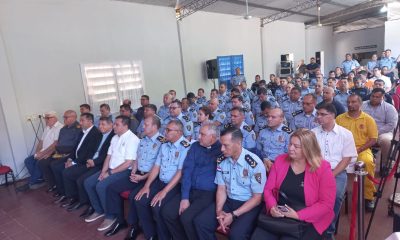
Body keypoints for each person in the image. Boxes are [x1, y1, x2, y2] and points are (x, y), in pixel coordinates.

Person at [253, 129, 336, 239]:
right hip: (280, 213)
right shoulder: (280, 160)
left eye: (296, 146)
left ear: (308, 149)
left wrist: (298, 215)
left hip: (308, 218)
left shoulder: (322, 168)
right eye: (290, 144)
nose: (290, 148)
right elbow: (268, 190)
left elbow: (326, 204)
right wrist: (272, 207)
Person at [194, 127, 266, 240]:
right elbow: (221, 189)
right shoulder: (222, 160)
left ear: (238, 143)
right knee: (200, 222)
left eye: (226, 145)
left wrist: (233, 215)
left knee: (236, 235)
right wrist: (219, 212)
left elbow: (257, 198)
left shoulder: (254, 163)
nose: (222, 149)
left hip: (248, 204)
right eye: (221, 144)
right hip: (229, 201)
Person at [102, 116, 164, 238]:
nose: (143, 127)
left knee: (134, 197)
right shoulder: (143, 139)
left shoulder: (162, 142)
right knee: (111, 188)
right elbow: (136, 158)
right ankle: (120, 221)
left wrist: (143, 177)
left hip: (151, 177)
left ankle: (138, 227)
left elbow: (159, 166)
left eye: (146, 124)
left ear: (155, 127)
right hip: (138, 174)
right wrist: (134, 171)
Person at [162, 123, 222, 240]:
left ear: (213, 137)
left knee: (187, 218)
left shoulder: (222, 150)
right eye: (199, 133)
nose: (198, 136)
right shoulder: (195, 146)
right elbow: (187, 171)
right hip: (189, 189)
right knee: (167, 213)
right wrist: (185, 197)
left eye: (202, 134)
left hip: (207, 193)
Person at [134, 120, 191, 240]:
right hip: (160, 181)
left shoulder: (185, 147)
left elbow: (180, 172)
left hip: (174, 186)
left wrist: (164, 191)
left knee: (157, 207)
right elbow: (157, 166)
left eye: (169, 130)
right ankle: (151, 234)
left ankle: (164, 236)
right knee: (141, 201)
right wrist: (147, 185)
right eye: (166, 129)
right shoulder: (165, 144)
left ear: (179, 132)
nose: (165, 132)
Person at [83, 115, 140, 232]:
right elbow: (108, 157)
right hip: (111, 169)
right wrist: (103, 171)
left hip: (124, 171)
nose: (114, 126)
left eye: (116, 124)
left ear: (125, 126)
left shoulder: (132, 139)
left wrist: (109, 173)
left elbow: (129, 162)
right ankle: (99, 210)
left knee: (101, 185)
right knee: (88, 182)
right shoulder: (114, 138)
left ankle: (111, 216)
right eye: (114, 123)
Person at [312, 103, 358, 238]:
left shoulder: (345, 134)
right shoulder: (313, 133)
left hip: (336, 171)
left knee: (335, 196)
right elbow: (310, 156)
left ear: (332, 115)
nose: (319, 117)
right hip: (316, 170)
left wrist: (331, 175)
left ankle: (327, 231)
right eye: (318, 114)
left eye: (322, 114)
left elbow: (346, 159)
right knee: (307, 193)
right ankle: (311, 226)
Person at [336, 94, 378, 211]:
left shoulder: (368, 119)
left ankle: (368, 197)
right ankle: (335, 194)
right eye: (348, 102)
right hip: (342, 150)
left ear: (360, 104)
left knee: (367, 163)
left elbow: (373, 139)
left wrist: (358, 149)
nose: (350, 104)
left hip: (361, 149)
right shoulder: (339, 118)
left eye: (353, 102)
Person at [66, 117, 115, 214]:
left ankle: (91, 205)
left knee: (83, 180)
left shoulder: (113, 136)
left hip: (101, 164)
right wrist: (89, 159)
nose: (100, 126)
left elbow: (106, 155)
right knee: (72, 174)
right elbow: (91, 150)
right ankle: (82, 201)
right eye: (99, 124)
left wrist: (94, 162)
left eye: (103, 124)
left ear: (110, 125)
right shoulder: (99, 135)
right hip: (91, 162)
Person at [52, 113, 102, 205]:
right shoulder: (82, 132)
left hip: (84, 161)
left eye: (83, 120)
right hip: (75, 157)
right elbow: (75, 148)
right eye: (80, 120)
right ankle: (64, 193)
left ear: (90, 121)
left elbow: (89, 153)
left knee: (67, 172)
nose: (80, 123)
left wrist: (74, 163)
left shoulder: (96, 134)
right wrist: (70, 159)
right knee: (56, 167)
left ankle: (73, 197)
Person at [18, 111, 63, 191]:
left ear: (55, 118)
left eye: (48, 118)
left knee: (39, 162)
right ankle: (40, 179)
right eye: (45, 118)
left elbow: (56, 144)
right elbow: (41, 141)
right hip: (43, 151)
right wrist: (37, 152)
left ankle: (30, 183)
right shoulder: (47, 127)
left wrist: (42, 153)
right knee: (28, 161)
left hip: (52, 152)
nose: (46, 120)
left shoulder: (60, 127)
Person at [38, 110, 82, 193]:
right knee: (43, 162)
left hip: (68, 153)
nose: (64, 119)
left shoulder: (78, 129)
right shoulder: (63, 129)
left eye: (66, 117)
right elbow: (57, 143)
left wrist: (68, 156)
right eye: (64, 117)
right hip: (58, 153)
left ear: (73, 118)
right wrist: (49, 153)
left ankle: (62, 189)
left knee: (54, 165)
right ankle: (53, 185)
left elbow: (76, 146)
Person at [362, 88, 398, 173]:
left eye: (377, 97)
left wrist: (375, 132)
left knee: (386, 141)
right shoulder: (363, 105)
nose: (374, 98)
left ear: (383, 97)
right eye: (373, 96)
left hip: (382, 132)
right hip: (363, 131)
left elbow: (391, 124)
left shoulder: (389, 108)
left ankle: (386, 165)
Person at [256, 108, 292, 172]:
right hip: (263, 162)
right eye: (268, 116)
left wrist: (275, 164)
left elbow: (289, 154)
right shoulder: (262, 131)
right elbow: (258, 149)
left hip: (280, 165)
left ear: (281, 119)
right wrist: (264, 159)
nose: (269, 119)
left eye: (273, 117)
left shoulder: (287, 133)